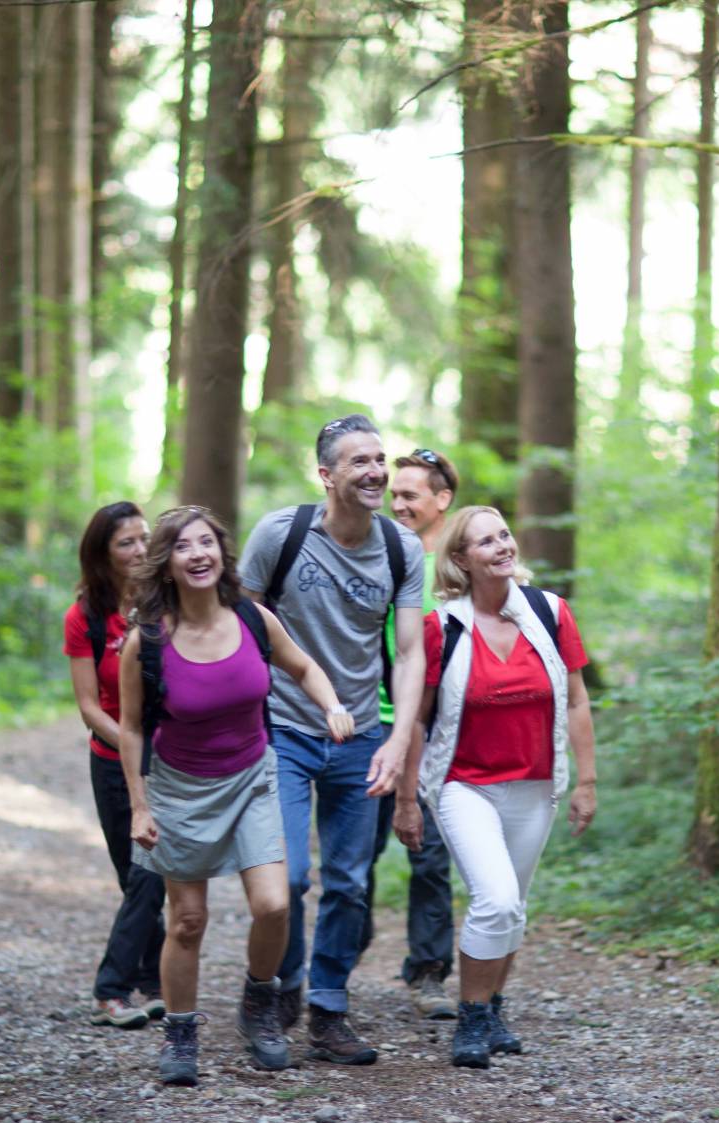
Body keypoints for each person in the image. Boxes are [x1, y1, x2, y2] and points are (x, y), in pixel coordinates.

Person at [115, 506, 355, 1086]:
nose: (198, 555)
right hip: (180, 788)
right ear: (166, 564)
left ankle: (259, 1005)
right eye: (182, 547)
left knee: (275, 903)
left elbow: (302, 666)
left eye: (207, 543)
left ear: (222, 553)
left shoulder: (253, 617)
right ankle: (180, 1033)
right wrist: (141, 805)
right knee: (189, 920)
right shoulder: (145, 642)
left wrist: (332, 704)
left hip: (252, 777)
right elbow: (130, 727)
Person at [239, 414, 426, 1066]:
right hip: (282, 729)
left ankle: (327, 1010)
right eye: (360, 462)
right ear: (326, 474)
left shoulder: (404, 549)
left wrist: (399, 741)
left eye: (381, 459)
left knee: (350, 882)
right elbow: (239, 616)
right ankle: (274, 990)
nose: (377, 472)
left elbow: (408, 655)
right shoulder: (279, 534)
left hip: (361, 738)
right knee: (287, 877)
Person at [395, 506, 598, 1069]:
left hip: (535, 784)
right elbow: (416, 717)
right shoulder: (444, 627)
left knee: (515, 907)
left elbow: (578, 700)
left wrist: (587, 780)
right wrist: (408, 798)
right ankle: (472, 1017)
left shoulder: (550, 612)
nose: (502, 546)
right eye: (486, 541)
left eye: (505, 534)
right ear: (461, 559)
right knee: (496, 898)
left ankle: (495, 1005)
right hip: (465, 786)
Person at [364, 448, 459, 1020]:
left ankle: (428, 972)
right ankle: (343, 955)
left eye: (410, 496)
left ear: (442, 500)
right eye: (394, 495)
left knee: (430, 853)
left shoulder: (461, 562)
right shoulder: (374, 553)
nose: (397, 504)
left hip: (444, 730)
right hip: (375, 722)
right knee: (360, 850)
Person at [65, 501, 166, 1029]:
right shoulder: (84, 616)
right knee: (136, 875)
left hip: (172, 764)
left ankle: (113, 987)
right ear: (103, 553)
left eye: (145, 538)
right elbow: (88, 706)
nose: (140, 550)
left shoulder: (166, 603)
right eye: (126, 542)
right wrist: (133, 748)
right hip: (111, 762)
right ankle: (152, 982)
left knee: (151, 874)